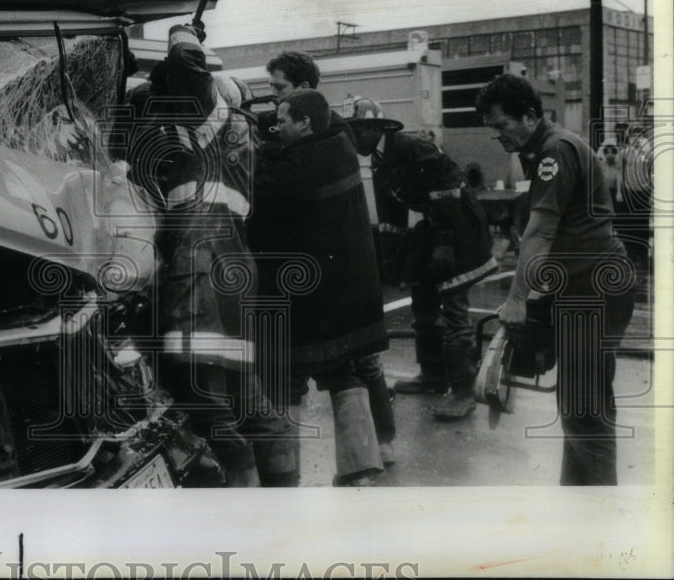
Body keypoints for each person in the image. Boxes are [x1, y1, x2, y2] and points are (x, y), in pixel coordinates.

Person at [127, 23, 297, 487]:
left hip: (198, 261)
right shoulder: (243, 136)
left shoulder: (206, 116)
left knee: (203, 395)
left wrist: (184, 31)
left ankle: (237, 484)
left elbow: (185, 65)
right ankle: (285, 495)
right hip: (232, 261)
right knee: (248, 395)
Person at [475, 74, 636, 485]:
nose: (496, 136)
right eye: (491, 128)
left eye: (502, 126)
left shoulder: (553, 150)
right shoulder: (540, 148)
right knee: (578, 405)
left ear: (529, 116)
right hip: (585, 285)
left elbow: (540, 232)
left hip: (593, 290)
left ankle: (597, 519)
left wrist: (516, 298)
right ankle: (579, 503)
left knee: (585, 408)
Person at [256, 51, 395, 458]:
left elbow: (278, 185)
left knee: (292, 374)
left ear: (303, 94)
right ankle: (373, 454)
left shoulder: (312, 145)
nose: (272, 99)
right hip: (349, 280)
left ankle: (292, 471)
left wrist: (262, 151)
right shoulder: (336, 132)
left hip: (320, 284)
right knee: (352, 367)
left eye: (279, 89)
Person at [345, 96, 497, 420]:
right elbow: (391, 214)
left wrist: (444, 245)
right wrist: (390, 258)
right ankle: (432, 375)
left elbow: (447, 194)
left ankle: (463, 391)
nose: (352, 139)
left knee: (454, 306)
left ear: (375, 128)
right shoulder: (379, 159)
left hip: (459, 225)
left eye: (357, 131)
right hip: (434, 224)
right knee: (422, 297)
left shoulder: (414, 150)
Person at [616, 122, 653, 266]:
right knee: (629, 224)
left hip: (644, 192)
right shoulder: (624, 152)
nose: (636, 137)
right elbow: (620, 172)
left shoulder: (649, 153)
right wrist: (619, 191)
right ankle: (631, 255)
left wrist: (652, 194)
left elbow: (653, 173)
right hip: (629, 192)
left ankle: (643, 255)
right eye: (633, 134)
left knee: (642, 224)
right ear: (629, 136)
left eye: (639, 134)